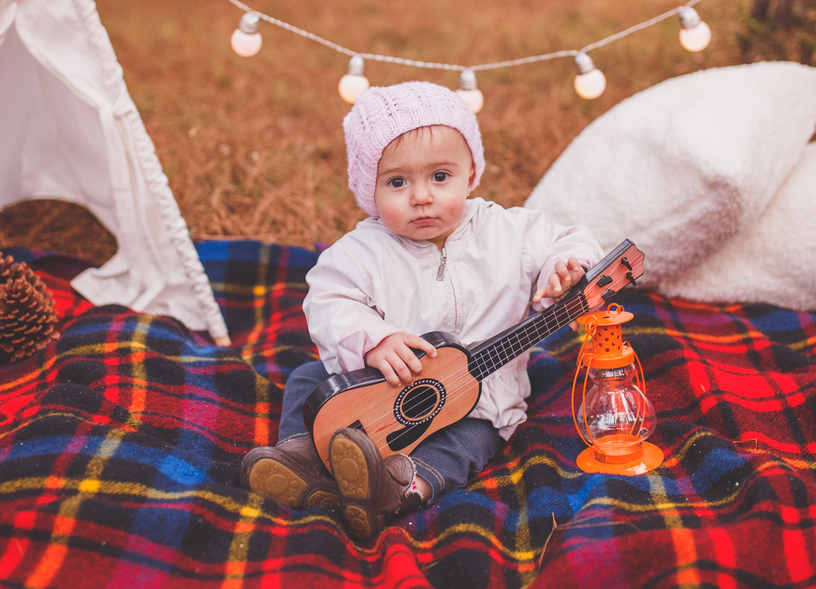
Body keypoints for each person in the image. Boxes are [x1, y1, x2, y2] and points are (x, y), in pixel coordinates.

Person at [240, 81, 604, 539]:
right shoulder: (363, 251)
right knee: (309, 380)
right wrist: (374, 340)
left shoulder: (507, 231)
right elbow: (328, 299)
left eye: (440, 177)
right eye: (397, 182)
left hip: (480, 400)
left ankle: (394, 487)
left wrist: (564, 268)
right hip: (383, 386)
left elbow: (569, 241)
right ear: (368, 189)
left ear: (470, 174)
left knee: (468, 443)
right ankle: (301, 457)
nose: (421, 197)